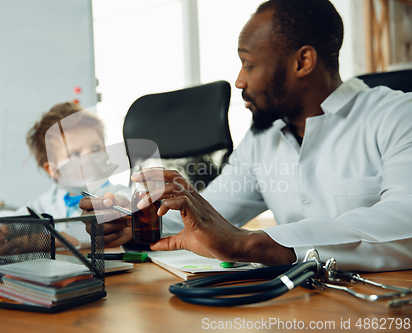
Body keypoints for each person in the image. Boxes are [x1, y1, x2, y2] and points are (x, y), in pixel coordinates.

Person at [80, 0, 412, 271]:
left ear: (303, 62)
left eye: (248, 64)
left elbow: (404, 221)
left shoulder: (397, 115)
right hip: (296, 305)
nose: (239, 81)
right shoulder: (262, 140)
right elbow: (213, 219)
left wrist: (251, 243)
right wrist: (135, 225)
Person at [0, 102, 130, 249]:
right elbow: (14, 218)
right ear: (53, 170)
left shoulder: (116, 194)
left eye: (96, 148)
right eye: (75, 154)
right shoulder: (48, 201)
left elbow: (126, 207)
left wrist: (52, 240)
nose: (89, 159)